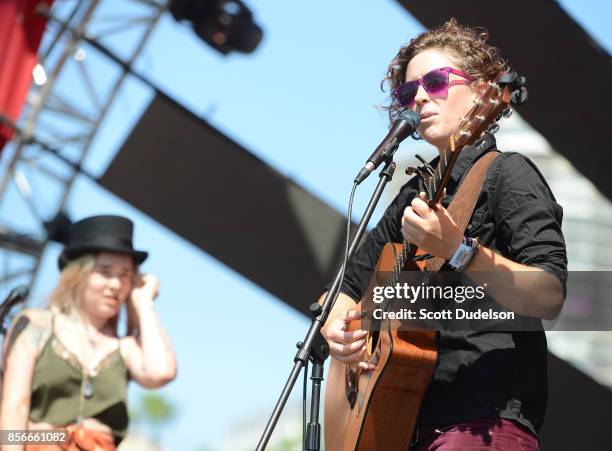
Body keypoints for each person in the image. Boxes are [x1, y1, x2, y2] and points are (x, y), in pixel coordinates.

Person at [321, 19, 567, 450]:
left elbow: (549, 294)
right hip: (400, 427)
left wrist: (458, 250)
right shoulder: (412, 195)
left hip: (481, 423)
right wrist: (337, 328)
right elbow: (345, 289)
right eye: (406, 92)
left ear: (482, 91)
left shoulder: (507, 174)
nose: (418, 97)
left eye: (435, 82)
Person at [0, 215, 177, 450]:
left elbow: (161, 372)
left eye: (125, 275)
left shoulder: (124, 347)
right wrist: (56, 438)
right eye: (105, 271)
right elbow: (11, 424)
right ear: (78, 274)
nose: (115, 284)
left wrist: (143, 302)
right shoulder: (36, 325)